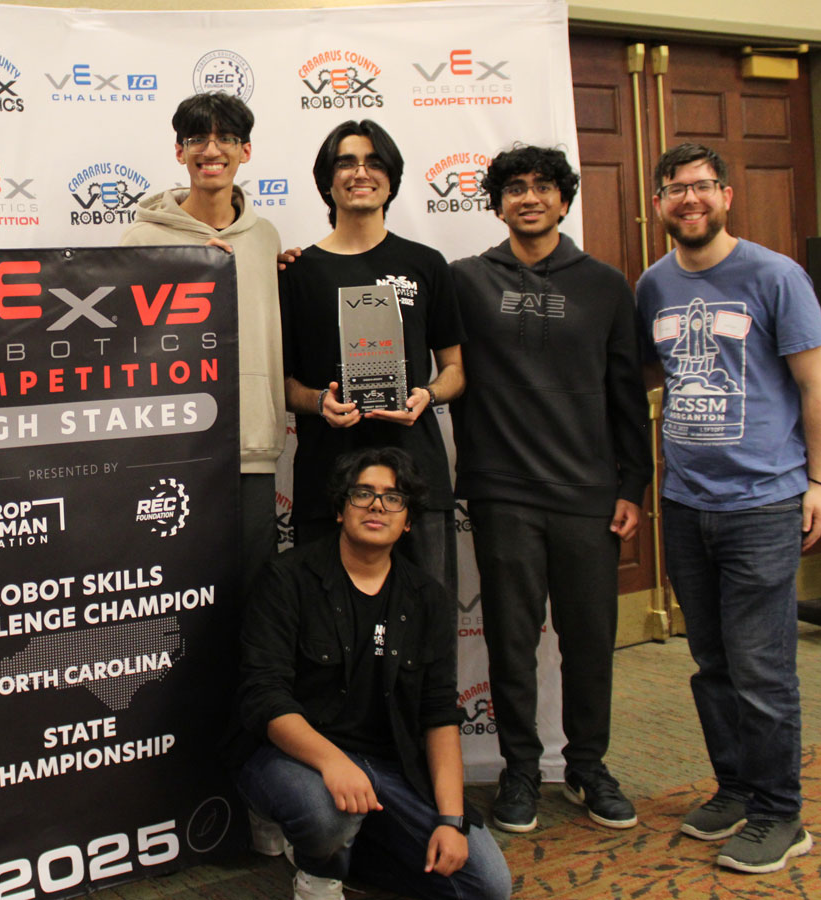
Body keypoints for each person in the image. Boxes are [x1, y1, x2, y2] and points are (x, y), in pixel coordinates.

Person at [637, 142, 821, 874]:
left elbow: (817, 385)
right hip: (687, 502)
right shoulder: (653, 285)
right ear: (657, 203)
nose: (689, 201)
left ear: (725, 195)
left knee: (761, 666)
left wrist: (816, 482)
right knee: (711, 660)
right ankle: (736, 788)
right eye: (674, 190)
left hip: (764, 503)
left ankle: (782, 815)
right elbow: (655, 377)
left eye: (702, 187)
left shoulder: (776, 276)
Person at [449, 145, 652, 833]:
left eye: (542, 187)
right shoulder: (466, 280)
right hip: (503, 492)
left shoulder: (604, 284)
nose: (528, 197)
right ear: (498, 203)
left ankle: (588, 768)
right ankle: (522, 772)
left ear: (564, 201)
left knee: (590, 640)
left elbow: (626, 394)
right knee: (509, 642)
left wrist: (634, 485)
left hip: (588, 495)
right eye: (513, 188)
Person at [236, 447, 511, 900]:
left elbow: (439, 716)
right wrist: (332, 762)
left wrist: (451, 820)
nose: (378, 505)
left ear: (407, 522)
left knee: (486, 886)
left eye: (393, 498)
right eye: (363, 494)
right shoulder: (288, 579)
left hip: (391, 768)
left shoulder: (428, 599)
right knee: (326, 817)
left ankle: (348, 849)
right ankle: (318, 867)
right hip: (295, 758)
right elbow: (265, 698)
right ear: (341, 510)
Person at [279, 119, 465, 597]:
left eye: (374, 162)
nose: (360, 173)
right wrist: (320, 402)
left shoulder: (426, 264)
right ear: (327, 180)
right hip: (327, 479)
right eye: (346, 162)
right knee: (325, 632)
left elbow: (455, 371)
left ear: (391, 178)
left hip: (415, 476)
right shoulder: (296, 273)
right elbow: (280, 384)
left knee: (427, 628)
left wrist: (429, 393)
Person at [120, 91, 287, 592]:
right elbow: (121, 341)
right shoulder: (140, 240)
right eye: (197, 138)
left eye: (226, 139)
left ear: (245, 151)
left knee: (255, 592)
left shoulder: (266, 237)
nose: (211, 150)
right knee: (172, 587)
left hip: (250, 446)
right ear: (179, 152)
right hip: (171, 446)